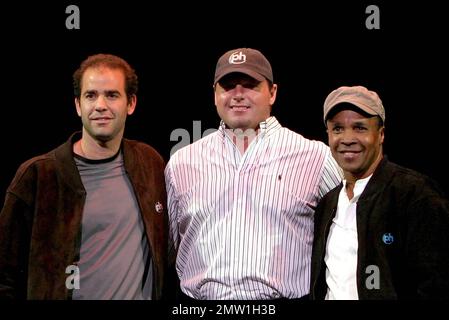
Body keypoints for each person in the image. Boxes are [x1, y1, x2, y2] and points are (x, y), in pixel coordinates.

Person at [165, 48, 343, 300]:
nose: (238, 94)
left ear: (272, 93)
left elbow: (345, 244)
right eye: (228, 86)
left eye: (250, 85)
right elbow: (166, 251)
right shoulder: (181, 163)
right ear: (215, 94)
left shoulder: (315, 157)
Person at [0, 53, 168, 299]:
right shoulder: (38, 175)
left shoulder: (149, 163)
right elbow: (5, 276)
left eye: (112, 95)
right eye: (91, 95)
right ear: (78, 105)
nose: (100, 105)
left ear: (131, 104)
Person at [310, 85, 449, 299]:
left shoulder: (414, 194)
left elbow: (435, 284)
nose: (347, 138)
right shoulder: (327, 204)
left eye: (360, 128)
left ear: (381, 134)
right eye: (338, 128)